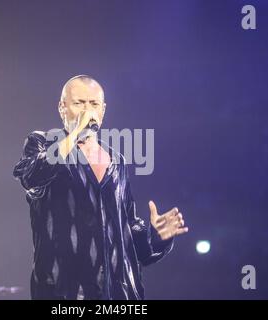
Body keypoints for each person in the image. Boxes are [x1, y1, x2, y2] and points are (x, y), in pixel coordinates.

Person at [13, 75, 188, 300]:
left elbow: (132, 238)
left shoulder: (117, 161)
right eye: (79, 103)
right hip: (63, 293)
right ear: (62, 108)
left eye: (94, 104)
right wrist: (75, 134)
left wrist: (156, 237)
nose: (88, 111)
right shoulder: (42, 143)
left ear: (103, 111)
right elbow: (31, 176)